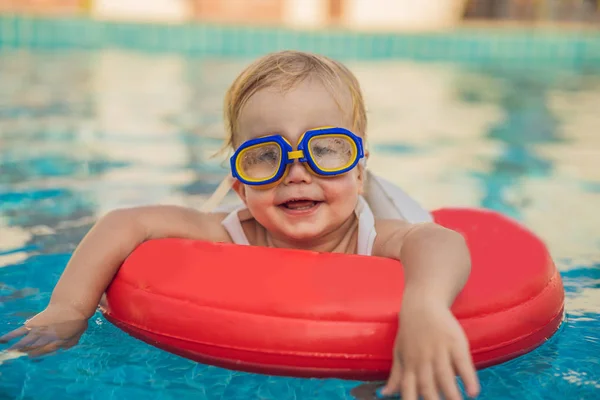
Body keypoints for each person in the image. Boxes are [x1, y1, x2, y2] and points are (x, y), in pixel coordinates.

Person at [1, 50, 480, 400]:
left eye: (327, 149)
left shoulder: (372, 236)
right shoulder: (232, 233)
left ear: (358, 167)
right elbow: (126, 222)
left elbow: (439, 241)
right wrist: (68, 308)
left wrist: (425, 307)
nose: (296, 171)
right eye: (264, 157)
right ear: (238, 184)